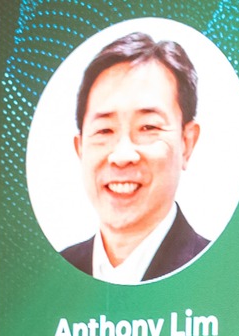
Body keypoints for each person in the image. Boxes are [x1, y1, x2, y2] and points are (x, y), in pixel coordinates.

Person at [60, 32, 213, 282]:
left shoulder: (223, 272)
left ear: (187, 143)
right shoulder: (52, 274)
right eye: (104, 130)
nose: (122, 156)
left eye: (148, 127)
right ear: (80, 149)